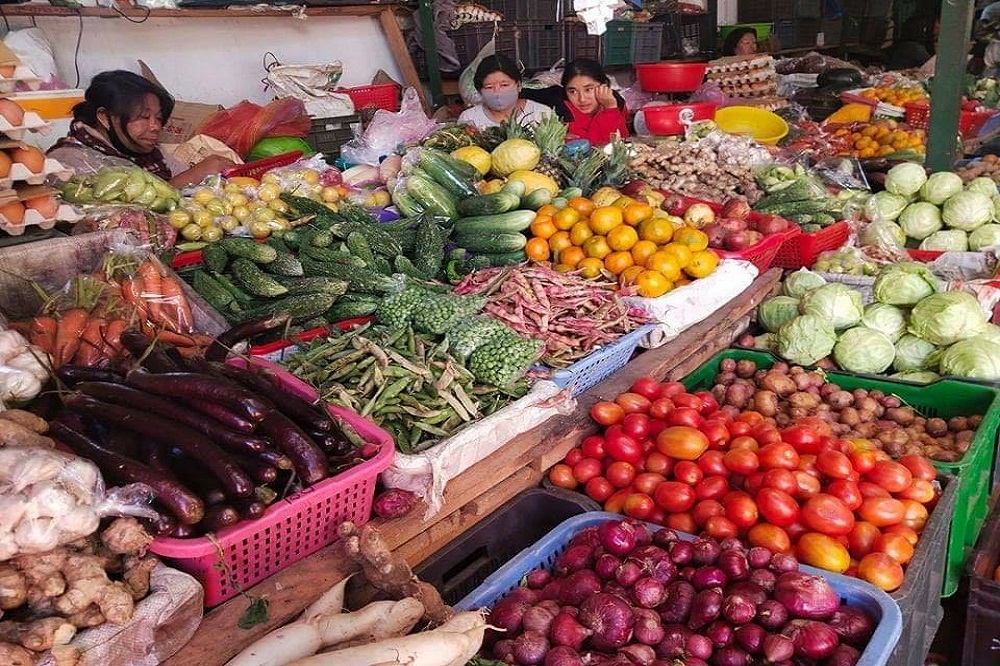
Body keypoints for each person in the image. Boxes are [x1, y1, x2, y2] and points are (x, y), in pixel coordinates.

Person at [48, 70, 234, 187]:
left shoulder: (149, 152)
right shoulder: (69, 159)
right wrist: (193, 175)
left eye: (159, 118)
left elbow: (187, 179)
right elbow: (111, 217)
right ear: (105, 117)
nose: (155, 127)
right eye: (143, 117)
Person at [458, 55, 552, 129]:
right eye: (489, 87)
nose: (497, 92)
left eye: (504, 85)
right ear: (479, 91)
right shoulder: (469, 119)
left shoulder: (541, 114)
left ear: (519, 85)